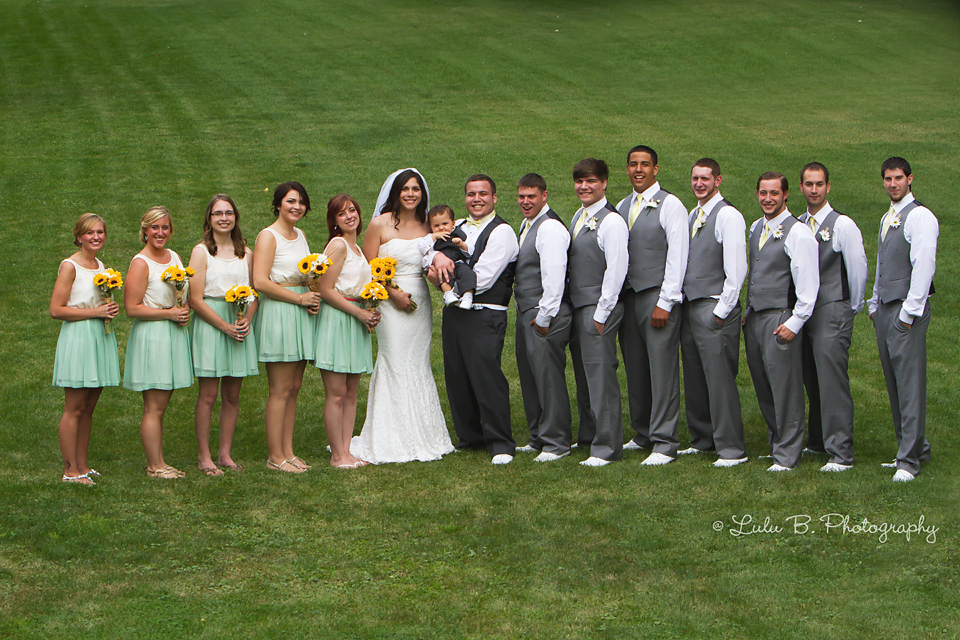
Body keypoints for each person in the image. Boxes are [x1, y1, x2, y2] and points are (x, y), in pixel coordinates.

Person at [352, 169, 453, 463]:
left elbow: (432, 261)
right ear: (396, 192)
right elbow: (368, 268)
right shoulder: (379, 224)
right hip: (389, 303)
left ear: (422, 193)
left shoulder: (427, 225)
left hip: (419, 301)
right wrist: (393, 293)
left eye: (416, 189)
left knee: (418, 362)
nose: (411, 194)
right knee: (394, 361)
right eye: (405, 188)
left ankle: (425, 434)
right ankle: (389, 437)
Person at [428, 174, 519, 464]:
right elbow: (430, 257)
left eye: (483, 194)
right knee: (457, 376)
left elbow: (484, 278)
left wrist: (443, 278)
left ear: (494, 198)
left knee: (486, 377)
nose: (476, 199)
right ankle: (470, 437)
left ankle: (501, 443)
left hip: (485, 313)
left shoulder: (502, 232)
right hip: (455, 312)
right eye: (471, 194)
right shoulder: (455, 226)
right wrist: (436, 265)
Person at [615, 145, 689, 466]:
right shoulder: (622, 206)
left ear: (655, 169)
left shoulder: (670, 205)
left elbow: (678, 254)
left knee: (662, 370)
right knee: (636, 368)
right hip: (629, 297)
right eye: (633, 164)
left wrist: (666, 300)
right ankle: (643, 432)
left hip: (657, 297)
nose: (638, 169)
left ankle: (665, 442)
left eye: (645, 164)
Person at [867, 157, 937, 482]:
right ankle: (912, 448)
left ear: (910, 179)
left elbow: (924, 265)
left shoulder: (919, 216)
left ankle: (909, 461)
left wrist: (909, 312)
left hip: (906, 311)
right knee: (894, 384)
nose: (892, 184)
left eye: (898, 178)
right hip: (885, 308)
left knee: (909, 385)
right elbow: (883, 262)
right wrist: (874, 303)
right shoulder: (888, 216)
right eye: (887, 179)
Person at [744, 172, 818, 472]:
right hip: (755, 317)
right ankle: (777, 443)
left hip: (780, 317)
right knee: (763, 384)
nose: (768, 198)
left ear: (786, 195)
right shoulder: (755, 228)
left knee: (785, 388)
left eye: (774, 193)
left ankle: (789, 453)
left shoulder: (798, 233)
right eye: (763, 193)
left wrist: (795, 322)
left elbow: (808, 284)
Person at [797, 163, 868, 472]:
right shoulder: (798, 224)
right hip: (803, 312)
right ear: (801, 187)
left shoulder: (842, 225)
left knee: (831, 382)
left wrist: (851, 306)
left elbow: (858, 268)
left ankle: (841, 452)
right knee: (810, 378)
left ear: (828, 187)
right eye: (808, 184)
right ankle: (817, 441)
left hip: (832, 308)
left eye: (819, 184)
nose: (814, 189)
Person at [679, 159, 749, 467]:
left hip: (714, 306)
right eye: (695, 178)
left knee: (720, 381)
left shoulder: (728, 215)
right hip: (691, 306)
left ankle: (731, 449)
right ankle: (703, 439)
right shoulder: (693, 214)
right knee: (695, 377)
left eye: (705, 178)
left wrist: (721, 311)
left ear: (717, 180)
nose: (699, 183)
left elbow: (737, 268)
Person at [187, 194, 259, 476]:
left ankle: (225, 454)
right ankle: (204, 457)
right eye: (217, 213)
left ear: (235, 217)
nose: (224, 218)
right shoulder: (201, 252)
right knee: (208, 394)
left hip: (238, 324)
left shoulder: (246, 253)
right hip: (211, 324)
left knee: (232, 395)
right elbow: (195, 299)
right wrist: (224, 326)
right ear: (209, 218)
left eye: (228, 213)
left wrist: (247, 319)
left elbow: (254, 293)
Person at [253, 182, 321, 473]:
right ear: (278, 204)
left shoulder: (300, 235)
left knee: (294, 388)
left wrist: (312, 289)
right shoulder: (268, 236)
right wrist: (299, 298)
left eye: (301, 202)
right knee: (280, 389)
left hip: (301, 311)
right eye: (291, 201)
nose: (297, 206)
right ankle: (274, 456)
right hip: (280, 312)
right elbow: (260, 281)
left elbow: (303, 273)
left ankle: (288, 451)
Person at [123, 206, 194, 479]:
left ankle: (160, 461)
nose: (160, 232)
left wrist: (183, 309)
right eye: (154, 228)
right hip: (153, 335)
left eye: (165, 227)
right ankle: (154, 466)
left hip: (173, 332)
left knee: (161, 406)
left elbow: (181, 293)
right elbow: (132, 308)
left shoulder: (174, 257)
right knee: (153, 406)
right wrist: (169, 314)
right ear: (145, 231)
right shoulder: (141, 263)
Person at [50, 213, 121, 485]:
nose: (95, 237)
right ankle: (70, 471)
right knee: (74, 408)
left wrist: (108, 309)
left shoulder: (100, 265)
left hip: (99, 337)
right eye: (89, 232)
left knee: (88, 407)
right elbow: (56, 310)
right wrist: (95, 312)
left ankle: (82, 465)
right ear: (79, 236)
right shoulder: (70, 266)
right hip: (79, 337)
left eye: (100, 232)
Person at [566, 159, 628, 467]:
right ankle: (589, 435)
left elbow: (616, 270)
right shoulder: (579, 216)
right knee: (585, 376)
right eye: (579, 181)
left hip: (598, 308)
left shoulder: (612, 221)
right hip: (580, 306)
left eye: (590, 181)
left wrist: (602, 313)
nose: (584, 187)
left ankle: (607, 447)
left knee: (601, 376)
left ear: (604, 183)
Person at [314, 195, 379, 468]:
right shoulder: (338, 245)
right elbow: (325, 289)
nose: (349, 216)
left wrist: (369, 310)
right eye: (342, 214)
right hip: (337, 320)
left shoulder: (358, 249)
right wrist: (358, 312)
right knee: (337, 393)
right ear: (334, 221)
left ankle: (347, 451)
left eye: (352, 210)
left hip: (356, 320)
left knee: (351, 392)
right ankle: (337, 455)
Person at [512, 173, 573, 462]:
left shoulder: (549, 228)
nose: (525, 202)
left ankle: (557, 442)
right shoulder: (527, 225)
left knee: (548, 379)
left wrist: (544, 317)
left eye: (531, 196)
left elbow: (554, 276)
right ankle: (537, 436)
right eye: (521, 196)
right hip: (527, 312)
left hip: (543, 315)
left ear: (544, 196)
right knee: (530, 377)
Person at [419, 204, 477, 308]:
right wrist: (434, 237)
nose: (441, 228)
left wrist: (461, 244)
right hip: (441, 266)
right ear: (431, 227)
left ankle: (467, 297)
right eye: (436, 226)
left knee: (467, 273)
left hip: (458, 262)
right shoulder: (432, 238)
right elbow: (422, 247)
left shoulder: (459, 233)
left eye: (445, 223)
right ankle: (448, 294)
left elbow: (471, 250)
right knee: (442, 276)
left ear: (453, 224)